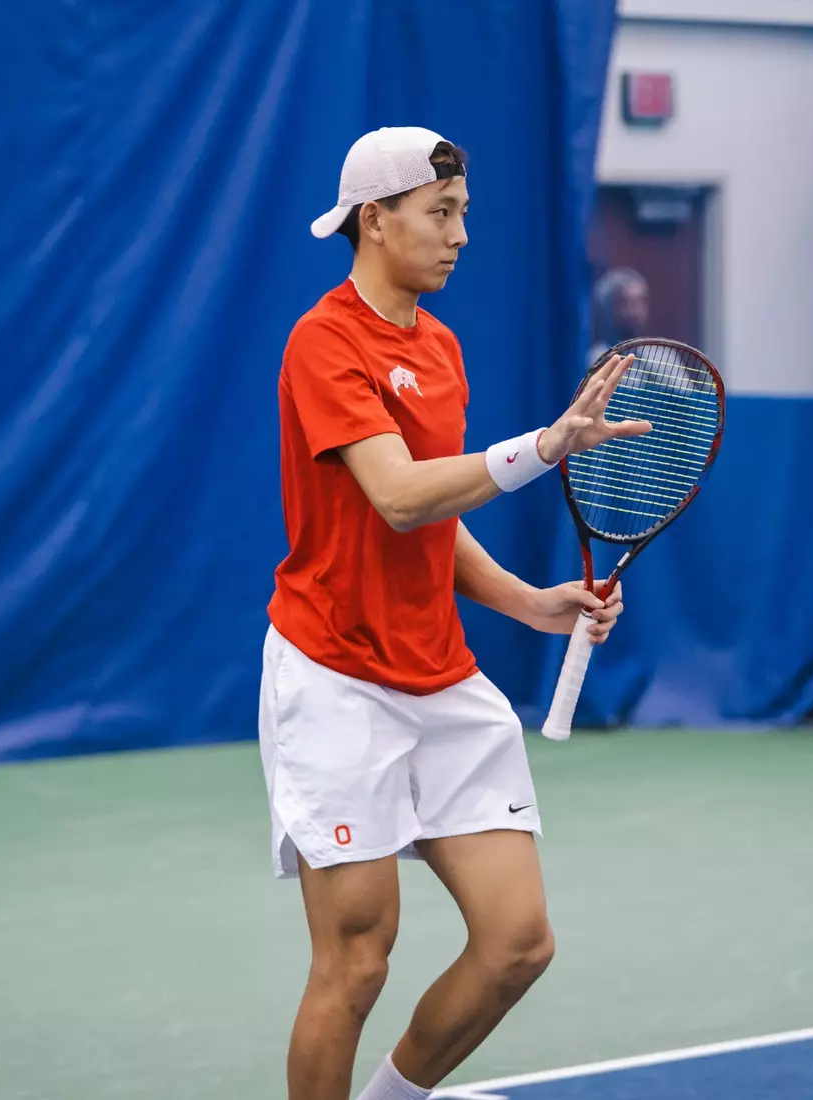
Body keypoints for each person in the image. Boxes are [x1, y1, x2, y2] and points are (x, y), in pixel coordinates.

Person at [260, 126, 651, 1100]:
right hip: (335, 678)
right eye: (441, 213)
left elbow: (433, 513)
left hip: (440, 678)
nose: (461, 234)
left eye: (464, 212)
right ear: (375, 219)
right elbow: (395, 493)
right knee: (357, 960)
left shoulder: (439, 349)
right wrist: (547, 446)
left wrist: (529, 603)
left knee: (518, 941)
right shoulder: (323, 343)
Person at [586, 266, 650, 367]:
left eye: (638, 302)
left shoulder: (663, 358)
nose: (633, 312)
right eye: (625, 304)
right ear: (607, 308)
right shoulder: (594, 359)